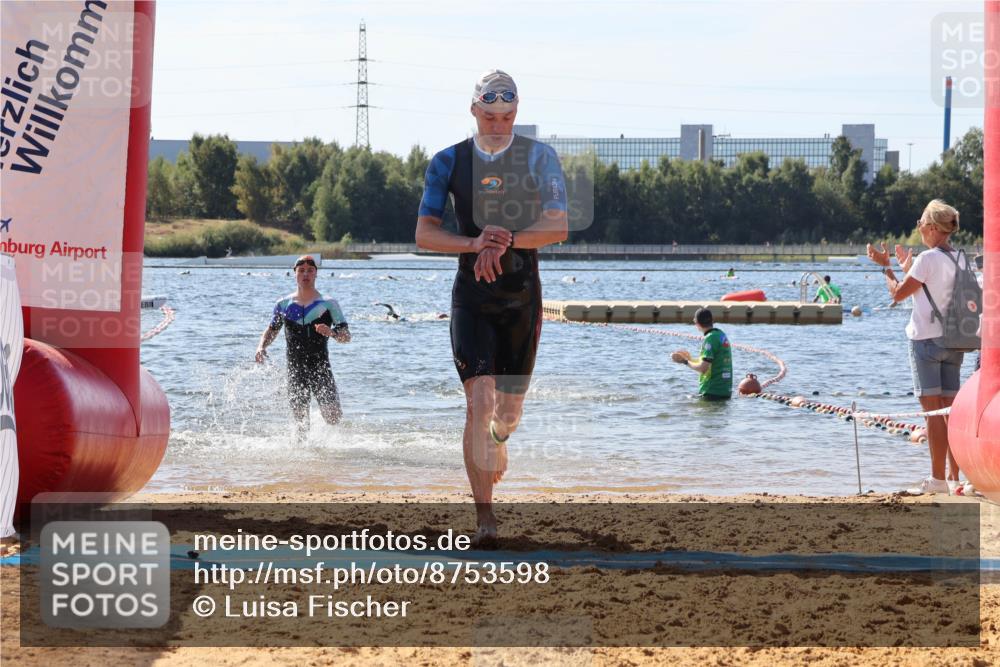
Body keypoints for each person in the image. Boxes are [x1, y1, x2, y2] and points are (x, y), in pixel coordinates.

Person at [415, 69, 569, 544]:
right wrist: (475, 241)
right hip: (473, 298)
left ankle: (501, 440)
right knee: (478, 400)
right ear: (474, 111)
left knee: (507, 414)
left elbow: (558, 225)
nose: (499, 124)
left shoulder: (540, 158)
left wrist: (504, 242)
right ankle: (485, 518)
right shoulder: (447, 162)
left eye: (507, 116)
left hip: (523, 297)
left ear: (516, 114)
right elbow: (425, 234)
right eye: (490, 115)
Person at [866, 199, 969, 495]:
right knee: (950, 411)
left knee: (933, 414)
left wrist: (886, 268)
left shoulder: (928, 259)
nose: (919, 227)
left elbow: (898, 294)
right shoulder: (959, 258)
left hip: (926, 341)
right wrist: (908, 267)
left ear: (934, 227)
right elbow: (935, 288)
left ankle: (936, 480)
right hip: (954, 340)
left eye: (920, 222)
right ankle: (953, 478)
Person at [255, 255, 351, 440]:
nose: (305, 274)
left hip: (320, 367)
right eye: (301, 270)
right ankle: (302, 465)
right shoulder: (283, 304)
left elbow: (346, 337)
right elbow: (272, 330)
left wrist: (331, 333)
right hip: (295, 368)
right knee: (300, 424)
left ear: (316, 274)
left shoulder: (328, 304)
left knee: (333, 417)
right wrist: (261, 347)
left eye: (310, 270)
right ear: (295, 274)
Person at [671, 307, 733, 401]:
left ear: (696, 323)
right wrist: (691, 359)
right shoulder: (721, 335)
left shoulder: (710, 339)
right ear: (712, 320)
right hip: (725, 392)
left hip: (711, 392)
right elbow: (711, 363)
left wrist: (685, 361)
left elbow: (703, 368)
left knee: (680, 402)